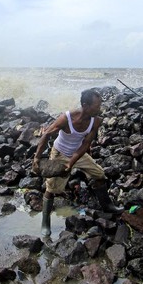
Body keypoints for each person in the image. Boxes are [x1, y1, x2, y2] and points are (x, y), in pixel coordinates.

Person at [32, 89, 123, 236]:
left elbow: (86, 144)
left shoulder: (96, 120)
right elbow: (47, 134)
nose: (100, 109)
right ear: (85, 105)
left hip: (78, 154)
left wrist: (72, 162)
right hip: (60, 153)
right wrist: (37, 158)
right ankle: (45, 222)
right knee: (52, 189)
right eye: (97, 106)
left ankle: (107, 206)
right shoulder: (66, 118)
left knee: (99, 174)